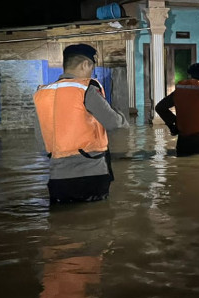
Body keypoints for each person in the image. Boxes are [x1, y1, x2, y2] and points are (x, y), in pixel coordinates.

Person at [33, 43, 128, 204]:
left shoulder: (41, 94)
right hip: (90, 173)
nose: (91, 73)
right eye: (91, 68)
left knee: (62, 225)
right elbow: (114, 123)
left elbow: (40, 139)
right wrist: (123, 119)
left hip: (58, 178)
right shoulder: (85, 89)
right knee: (97, 222)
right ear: (85, 64)